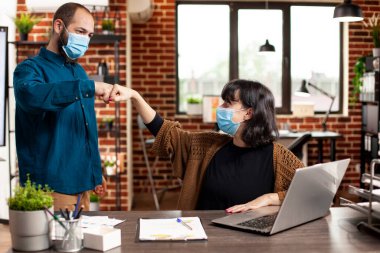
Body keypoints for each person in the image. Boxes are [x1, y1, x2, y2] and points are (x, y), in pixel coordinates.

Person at [110, 79, 304, 212]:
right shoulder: (208, 145)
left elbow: (315, 191)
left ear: (249, 113)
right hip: (204, 237)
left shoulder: (277, 156)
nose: (220, 109)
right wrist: (135, 96)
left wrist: (270, 198)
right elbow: (167, 132)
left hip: (252, 241)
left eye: (228, 104)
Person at [13, 3, 120, 211]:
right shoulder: (29, 69)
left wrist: (95, 173)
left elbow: (86, 128)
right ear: (59, 26)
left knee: (83, 244)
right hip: (51, 189)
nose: (85, 40)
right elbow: (32, 96)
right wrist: (89, 86)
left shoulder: (79, 72)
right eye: (80, 31)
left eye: (89, 35)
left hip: (83, 187)